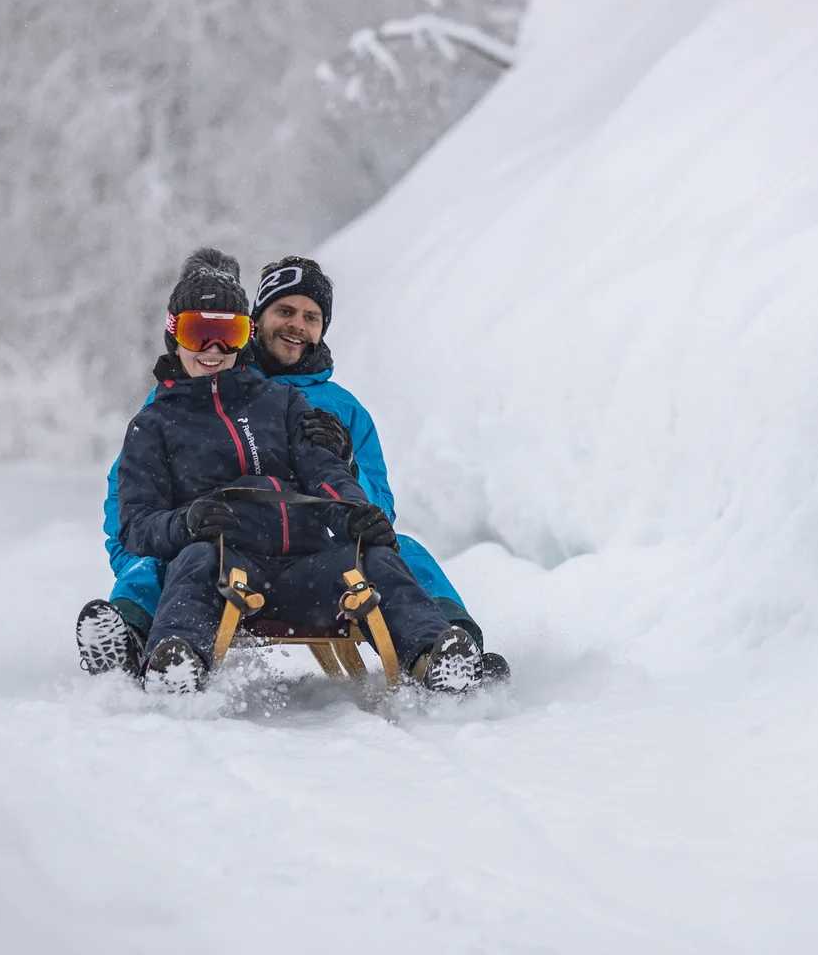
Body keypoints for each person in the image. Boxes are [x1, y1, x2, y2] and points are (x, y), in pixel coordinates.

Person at [79, 248, 508, 682]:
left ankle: (453, 651)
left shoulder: (315, 407)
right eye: (285, 310)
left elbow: (361, 494)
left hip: (315, 548)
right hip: (221, 551)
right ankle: (140, 645)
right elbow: (132, 499)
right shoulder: (171, 407)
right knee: (170, 563)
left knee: (399, 553)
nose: (297, 326)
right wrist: (158, 542)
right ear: (258, 319)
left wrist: (351, 484)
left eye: (311, 317)